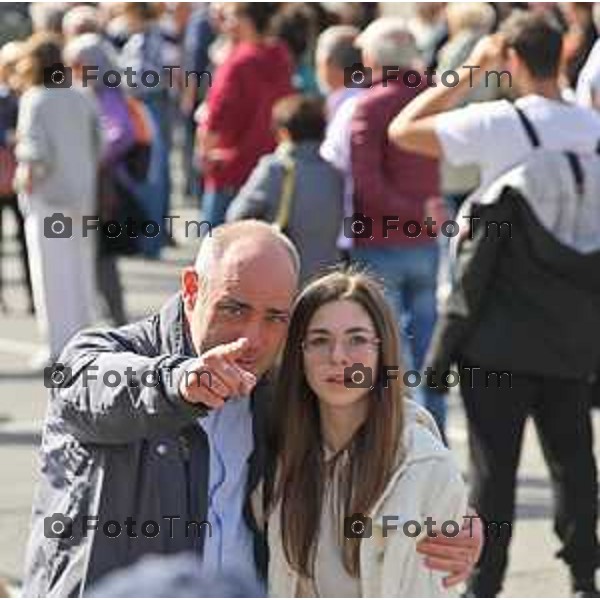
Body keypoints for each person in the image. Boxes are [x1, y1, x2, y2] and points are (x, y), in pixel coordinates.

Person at [23, 221, 482, 597]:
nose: (253, 338)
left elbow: (363, 413)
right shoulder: (105, 355)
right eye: (234, 309)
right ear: (190, 288)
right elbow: (90, 387)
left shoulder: (275, 387)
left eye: (274, 318)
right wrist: (180, 382)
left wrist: (451, 511)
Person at [424, 149, 600, 597]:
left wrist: (440, 356)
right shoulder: (589, 206)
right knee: (575, 466)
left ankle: (485, 583)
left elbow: (470, 283)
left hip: (495, 358)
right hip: (569, 357)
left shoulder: (504, 201)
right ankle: (584, 576)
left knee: (493, 473)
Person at [266, 270, 468, 597]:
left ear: (382, 351)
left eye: (357, 339)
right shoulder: (276, 454)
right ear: (298, 356)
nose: (338, 357)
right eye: (319, 340)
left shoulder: (426, 466)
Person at [344, 18, 447, 435]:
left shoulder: (370, 105)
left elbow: (365, 184)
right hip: (423, 239)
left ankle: (400, 442)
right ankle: (430, 440)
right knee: (426, 353)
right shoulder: (432, 99)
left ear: (372, 57)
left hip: (383, 240)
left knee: (388, 354)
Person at [388, 11, 600, 207]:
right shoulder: (592, 123)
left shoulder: (497, 122)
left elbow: (402, 130)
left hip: (511, 242)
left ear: (514, 60)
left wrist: (474, 66)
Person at [14, 33, 99, 366]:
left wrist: (24, 171)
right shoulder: (82, 94)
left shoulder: (35, 98)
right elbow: (100, 141)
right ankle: (85, 342)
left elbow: (35, 152)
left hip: (49, 197)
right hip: (82, 193)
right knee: (81, 271)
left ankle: (57, 347)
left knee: (51, 276)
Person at [226, 95, 343, 284]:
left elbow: (235, 216)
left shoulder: (275, 169)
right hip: (325, 281)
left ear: (284, 133)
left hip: (279, 276)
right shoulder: (335, 174)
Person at [197, 2, 293, 227]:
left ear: (246, 21)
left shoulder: (238, 62)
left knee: (216, 253)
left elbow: (219, 115)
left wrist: (204, 152)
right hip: (267, 167)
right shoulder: (280, 55)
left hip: (230, 169)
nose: (225, 24)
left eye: (230, 17)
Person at [64, 33, 134, 326]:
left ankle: (116, 321)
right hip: (92, 186)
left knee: (101, 257)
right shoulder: (89, 92)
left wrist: (90, 156)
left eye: (77, 64)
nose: (72, 70)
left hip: (102, 188)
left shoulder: (106, 93)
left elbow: (121, 134)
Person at [0, 41, 33, 314]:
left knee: (26, 241)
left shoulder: (27, 97)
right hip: (9, 175)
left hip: (19, 178)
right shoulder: (15, 98)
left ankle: (33, 297)